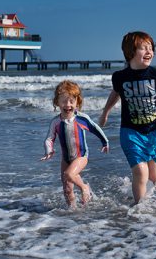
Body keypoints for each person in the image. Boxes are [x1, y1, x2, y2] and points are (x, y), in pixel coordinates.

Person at [99, 31, 156, 204]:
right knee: (140, 172)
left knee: (153, 176)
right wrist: (105, 113)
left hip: (155, 132)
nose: (149, 52)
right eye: (143, 48)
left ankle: (154, 181)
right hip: (130, 132)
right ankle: (139, 209)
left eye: (151, 48)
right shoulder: (120, 77)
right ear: (131, 52)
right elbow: (115, 94)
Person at [42, 80, 109, 208]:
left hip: (81, 156)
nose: (68, 105)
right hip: (66, 159)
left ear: (77, 102)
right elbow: (49, 139)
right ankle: (73, 212)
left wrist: (105, 142)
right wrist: (48, 150)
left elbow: (95, 128)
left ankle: (84, 187)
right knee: (67, 189)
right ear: (57, 102)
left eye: (71, 101)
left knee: (69, 174)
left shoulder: (81, 119)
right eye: (64, 101)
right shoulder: (55, 122)